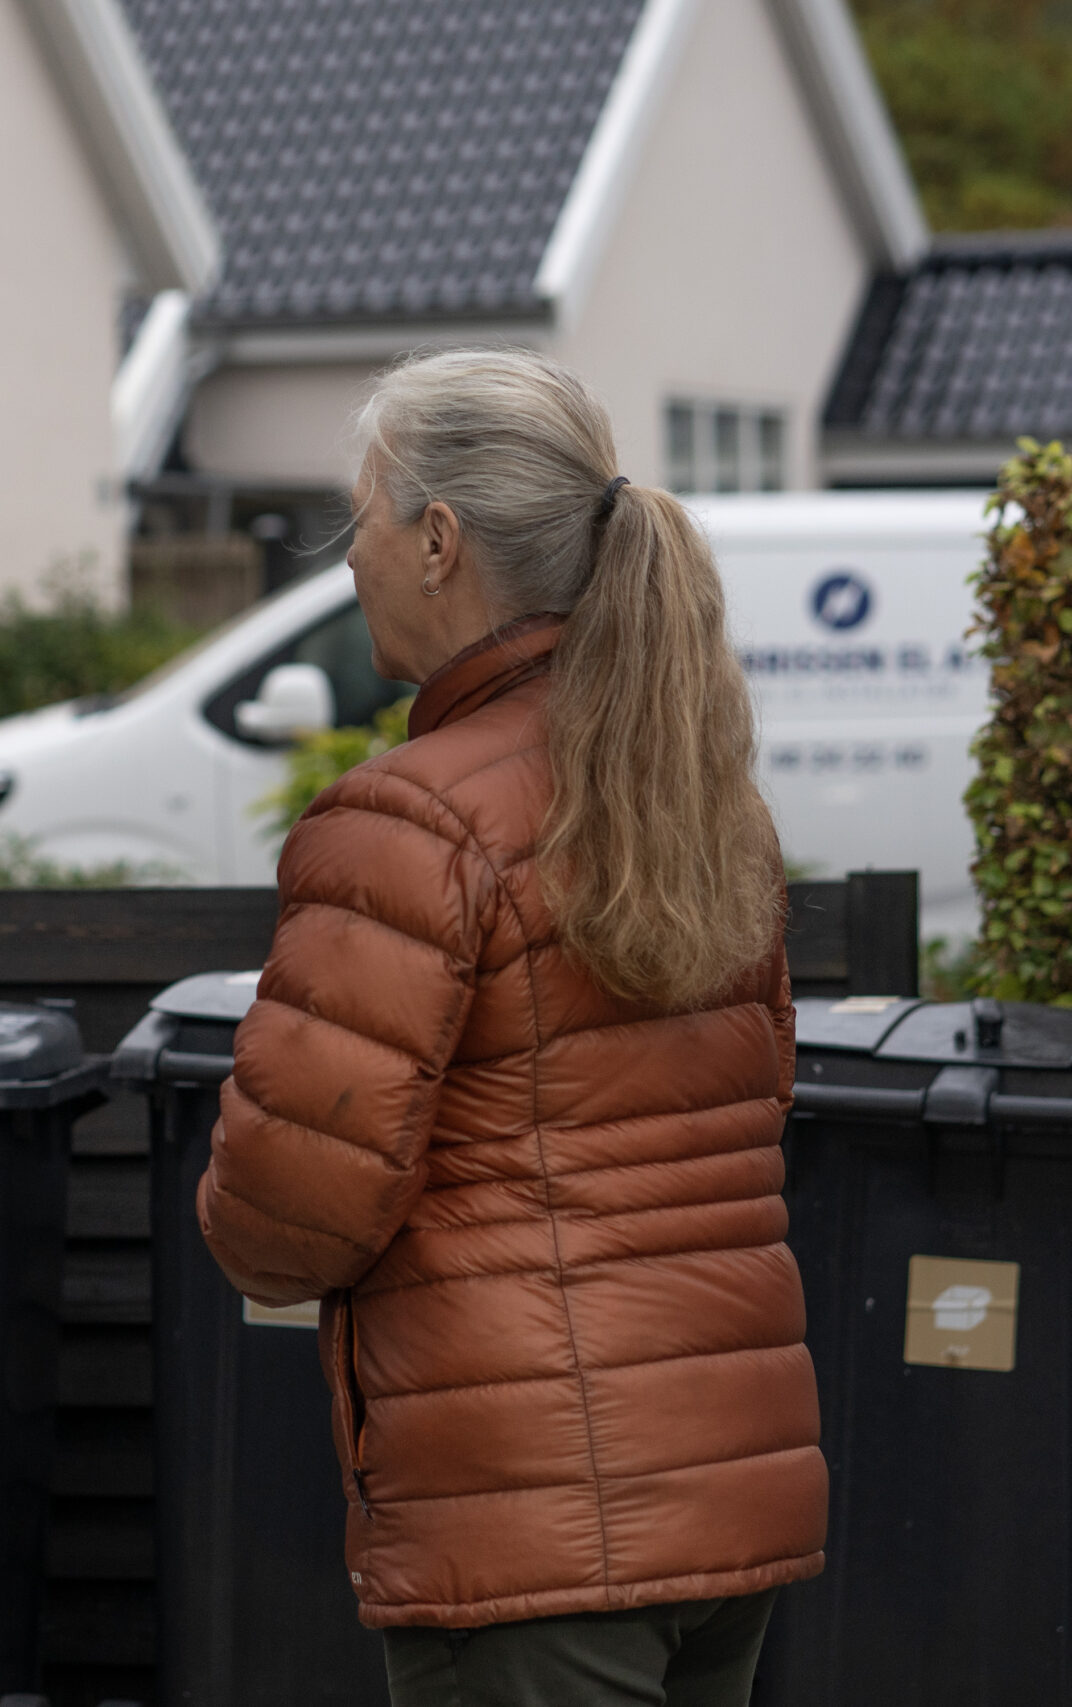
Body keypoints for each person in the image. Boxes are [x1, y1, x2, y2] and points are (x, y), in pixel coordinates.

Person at [197, 350, 826, 1707]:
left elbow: (286, 1217)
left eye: (360, 517)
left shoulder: (411, 819)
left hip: (530, 1519)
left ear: (437, 540)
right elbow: (749, 1108)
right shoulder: (712, 804)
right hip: (729, 1486)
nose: (348, 557)